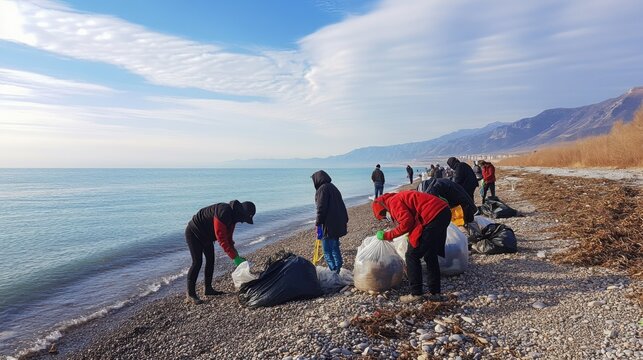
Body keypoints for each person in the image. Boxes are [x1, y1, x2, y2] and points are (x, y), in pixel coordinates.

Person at [372, 191, 450, 303]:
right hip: (442, 212)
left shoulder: (393, 202)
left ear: (383, 208)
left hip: (433, 216)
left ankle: (416, 294)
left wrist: (387, 235)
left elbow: (407, 223)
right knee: (429, 254)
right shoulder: (397, 197)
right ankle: (435, 293)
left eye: (384, 215)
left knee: (411, 255)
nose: (387, 218)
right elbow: (413, 218)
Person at [185, 200, 256, 304]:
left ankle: (208, 289)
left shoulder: (233, 217)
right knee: (197, 262)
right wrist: (234, 258)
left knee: (210, 260)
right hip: (194, 233)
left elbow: (229, 239)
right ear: (241, 213)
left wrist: (237, 256)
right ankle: (190, 295)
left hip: (206, 237)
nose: (242, 221)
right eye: (244, 219)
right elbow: (221, 239)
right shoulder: (223, 212)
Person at [312, 170, 349, 274]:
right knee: (335, 247)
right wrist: (345, 219)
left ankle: (334, 271)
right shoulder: (333, 187)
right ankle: (338, 268)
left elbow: (321, 208)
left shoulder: (321, 190)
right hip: (338, 222)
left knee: (327, 251)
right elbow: (341, 205)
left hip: (328, 225)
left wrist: (318, 223)